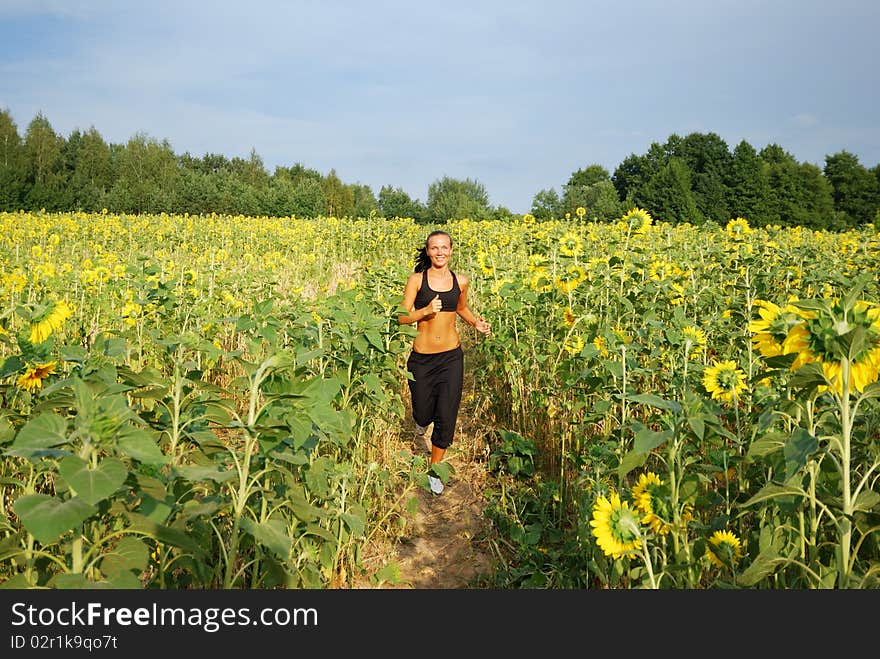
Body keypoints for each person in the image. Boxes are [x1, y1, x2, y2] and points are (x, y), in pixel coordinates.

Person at [398, 230, 491, 495]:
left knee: (447, 415)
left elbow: (461, 308)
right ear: (427, 252)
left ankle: (434, 469)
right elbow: (401, 317)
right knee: (423, 412)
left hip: (451, 356)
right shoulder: (417, 280)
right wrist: (425, 311)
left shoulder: (460, 281)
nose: (440, 252)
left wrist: (476, 323)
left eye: (444, 248)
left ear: (451, 250)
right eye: (434, 248)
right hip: (422, 359)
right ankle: (420, 422)